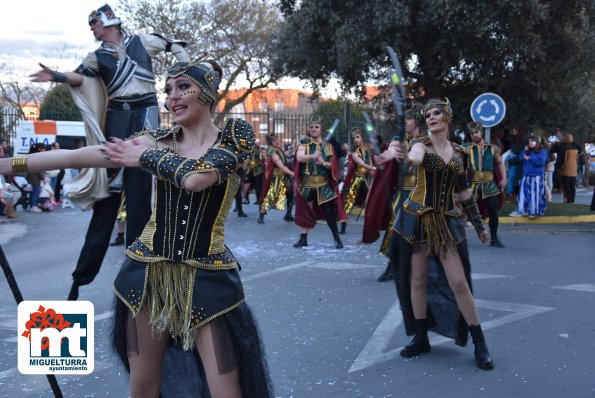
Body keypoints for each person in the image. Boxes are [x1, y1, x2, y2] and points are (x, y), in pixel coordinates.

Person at [2, 60, 272, 397]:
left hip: (208, 279)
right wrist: (6, 165)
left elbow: (197, 178)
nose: (172, 97)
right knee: (142, 388)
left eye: (183, 88)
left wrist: (146, 156)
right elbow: (75, 158)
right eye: (168, 91)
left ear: (208, 94)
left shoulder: (233, 137)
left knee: (227, 393)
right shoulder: (156, 140)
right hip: (146, 277)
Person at [29, 4, 190, 300]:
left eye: (94, 23)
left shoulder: (142, 42)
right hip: (117, 116)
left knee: (141, 197)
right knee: (108, 196)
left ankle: (139, 277)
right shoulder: (97, 56)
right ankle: (80, 280)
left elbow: (175, 47)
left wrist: (184, 78)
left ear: (108, 22)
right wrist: (55, 76)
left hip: (145, 114)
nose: (91, 29)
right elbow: (80, 78)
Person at [387, 98, 494, 370]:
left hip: (446, 222)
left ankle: (480, 343)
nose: (431, 117)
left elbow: (464, 193)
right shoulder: (420, 144)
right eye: (428, 115)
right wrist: (401, 156)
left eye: (436, 113)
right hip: (417, 218)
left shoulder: (459, 153)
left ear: (447, 117)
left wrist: (480, 225)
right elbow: (414, 159)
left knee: (459, 282)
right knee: (418, 279)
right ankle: (421, 337)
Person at [369, 103, 425, 282]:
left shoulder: (425, 141)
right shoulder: (399, 139)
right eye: (404, 119)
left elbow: (417, 156)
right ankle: (392, 267)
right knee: (394, 230)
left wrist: (408, 158)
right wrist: (383, 157)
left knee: (424, 233)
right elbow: (391, 151)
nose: (406, 122)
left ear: (417, 121)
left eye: (409, 119)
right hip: (403, 193)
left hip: (423, 192)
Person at [293, 115, 346, 249]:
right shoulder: (304, 143)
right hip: (307, 184)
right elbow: (299, 158)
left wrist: (323, 162)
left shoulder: (327, 146)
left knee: (329, 213)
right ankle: (303, 239)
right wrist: (312, 156)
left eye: (316, 127)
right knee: (305, 211)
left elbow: (332, 165)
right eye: (312, 127)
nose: (314, 129)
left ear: (321, 129)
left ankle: (337, 239)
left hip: (322, 185)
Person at [464, 121, 507, 248]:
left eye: (476, 132)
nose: (474, 135)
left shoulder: (492, 148)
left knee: (493, 211)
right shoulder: (466, 147)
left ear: (481, 132)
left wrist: (504, 178)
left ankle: (494, 238)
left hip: (489, 183)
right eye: (472, 134)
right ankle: (458, 239)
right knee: (464, 210)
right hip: (473, 183)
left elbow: (500, 163)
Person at [339, 127, 376, 234]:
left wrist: (372, 169)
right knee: (349, 202)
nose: (355, 139)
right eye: (353, 138)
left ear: (362, 137)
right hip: (356, 179)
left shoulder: (368, 147)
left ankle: (371, 227)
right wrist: (372, 168)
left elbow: (369, 160)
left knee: (372, 201)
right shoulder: (353, 151)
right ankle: (343, 226)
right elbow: (360, 163)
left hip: (366, 178)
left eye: (357, 137)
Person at [257, 132, 295, 224]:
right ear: (273, 142)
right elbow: (281, 166)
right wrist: (293, 174)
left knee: (291, 193)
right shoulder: (272, 152)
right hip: (276, 178)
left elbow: (284, 160)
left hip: (284, 177)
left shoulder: (278, 150)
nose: (278, 141)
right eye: (276, 140)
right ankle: (261, 215)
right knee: (271, 196)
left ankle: (288, 214)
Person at [515, 135, 548, 219]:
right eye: (529, 142)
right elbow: (521, 158)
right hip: (526, 176)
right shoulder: (528, 151)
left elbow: (540, 162)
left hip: (536, 177)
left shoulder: (542, 152)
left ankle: (534, 211)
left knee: (535, 195)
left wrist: (530, 158)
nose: (530, 143)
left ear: (536, 142)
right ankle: (524, 210)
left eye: (532, 141)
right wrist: (525, 152)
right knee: (524, 194)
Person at [550, 133, 583, 203]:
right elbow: (580, 149)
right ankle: (572, 200)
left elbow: (551, 150)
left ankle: (568, 200)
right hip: (573, 169)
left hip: (564, 169)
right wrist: (574, 141)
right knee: (572, 186)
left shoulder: (561, 146)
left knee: (565, 186)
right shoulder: (575, 146)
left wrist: (557, 143)